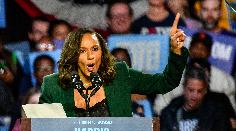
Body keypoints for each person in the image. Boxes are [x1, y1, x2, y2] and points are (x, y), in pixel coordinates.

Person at [39, 13, 188, 117]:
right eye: (82, 51)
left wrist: (176, 51)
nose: (90, 56)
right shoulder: (54, 85)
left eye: (95, 49)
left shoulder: (120, 75)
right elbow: (40, 128)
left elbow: (166, 82)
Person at [154, 31, 236, 114]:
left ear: (209, 53)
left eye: (203, 49)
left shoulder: (223, 79)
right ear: (189, 49)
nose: (198, 52)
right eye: (195, 47)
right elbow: (160, 106)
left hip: (210, 124)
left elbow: (231, 113)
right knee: (144, 124)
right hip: (177, 121)